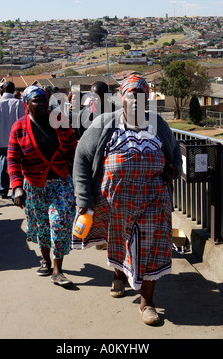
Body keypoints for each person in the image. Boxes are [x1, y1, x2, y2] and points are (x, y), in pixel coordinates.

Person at [72, 74, 182, 325]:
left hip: (154, 200)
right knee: (120, 242)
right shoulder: (104, 124)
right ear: (122, 97)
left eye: (142, 95)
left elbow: (175, 152)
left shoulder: (158, 124)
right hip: (115, 202)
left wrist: (173, 169)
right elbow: (82, 157)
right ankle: (119, 274)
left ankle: (147, 303)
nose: (136, 100)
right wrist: (84, 200)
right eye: (132, 94)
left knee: (152, 248)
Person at [7, 85, 77, 286]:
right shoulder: (19, 128)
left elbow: (73, 149)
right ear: (26, 104)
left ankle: (58, 269)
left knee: (60, 222)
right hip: (33, 184)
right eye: (36, 101)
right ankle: (45, 260)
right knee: (41, 226)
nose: (41, 104)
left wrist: (81, 178)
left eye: (44, 100)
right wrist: (17, 187)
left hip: (60, 182)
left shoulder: (60, 121)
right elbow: (12, 159)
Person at [0, 81, 25, 198]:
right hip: (17, 143)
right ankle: (15, 191)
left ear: (3, 90)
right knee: (17, 167)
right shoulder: (19, 103)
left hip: (2, 142)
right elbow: (23, 123)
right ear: (13, 90)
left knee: (3, 167)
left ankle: (3, 190)